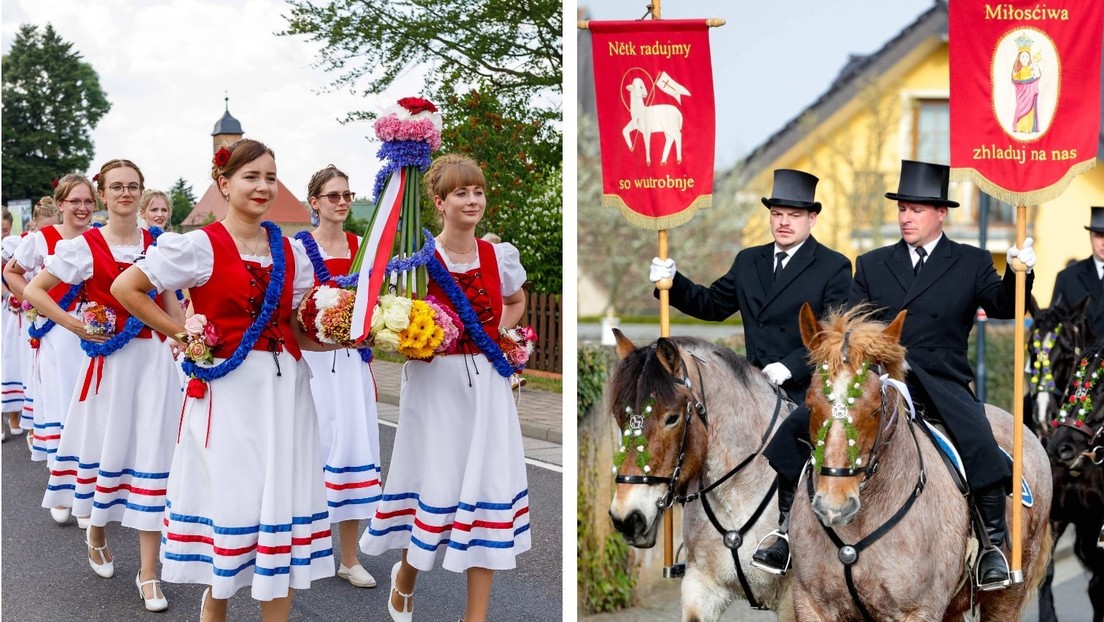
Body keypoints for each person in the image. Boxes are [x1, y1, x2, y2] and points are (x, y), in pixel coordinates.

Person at [112, 139, 336, 621]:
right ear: (224, 184)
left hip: (285, 392)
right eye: (251, 177)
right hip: (229, 392)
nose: (262, 187)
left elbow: (298, 328)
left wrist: (343, 336)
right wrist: (183, 334)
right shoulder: (198, 246)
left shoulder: (292, 250)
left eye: (270, 178)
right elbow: (125, 288)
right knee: (233, 504)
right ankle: (214, 607)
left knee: (281, 512)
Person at [648, 169, 852, 574]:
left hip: (801, 384)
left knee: (804, 446)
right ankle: (701, 544)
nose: (783, 221)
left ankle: (787, 534)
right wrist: (672, 281)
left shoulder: (833, 266)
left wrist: (791, 365)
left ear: (812, 219)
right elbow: (711, 305)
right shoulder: (749, 260)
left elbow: (833, 334)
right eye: (777, 213)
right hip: (749, 384)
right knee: (694, 437)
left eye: (793, 214)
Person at [849, 159, 1036, 590]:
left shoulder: (970, 262)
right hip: (884, 379)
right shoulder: (872, 264)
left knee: (980, 442)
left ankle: (992, 544)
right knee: (815, 428)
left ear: (940, 214)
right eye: (902, 208)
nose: (905, 217)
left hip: (943, 380)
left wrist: (1019, 272)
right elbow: (853, 322)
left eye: (915, 209)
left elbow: (1008, 307)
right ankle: (790, 531)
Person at [359, 154, 531, 622]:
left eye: (477, 191)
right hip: (435, 387)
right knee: (433, 487)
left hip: (488, 387)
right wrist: (418, 338)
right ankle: (405, 578)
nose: (472, 199)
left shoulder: (500, 256)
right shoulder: (417, 260)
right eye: (461, 192)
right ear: (439, 201)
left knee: (487, 486)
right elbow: (390, 323)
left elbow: (515, 300)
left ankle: (474, 617)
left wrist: (497, 333)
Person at [24, 159, 180, 611]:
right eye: (117, 187)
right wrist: (75, 325)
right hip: (111, 363)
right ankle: (95, 530)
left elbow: (170, 302)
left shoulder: (160, 244)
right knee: (106, 448)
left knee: (152, 453)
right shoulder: (86, 246)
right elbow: (35, 289)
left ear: (142, 193)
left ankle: (149, 572)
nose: (126, 194)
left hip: (153, 362)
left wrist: (186, 337)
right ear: (103, 194)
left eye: (133, 186)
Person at [296, 165, 382, 589]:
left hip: (350, 364)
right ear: (315, 202)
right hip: (311, 361)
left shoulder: (361, 246)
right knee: (310, 448)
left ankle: (349, 557)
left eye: (347, 195)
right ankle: (304, 548)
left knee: (350, 448)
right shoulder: (297, 248)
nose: (343, 202)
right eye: (333, 196)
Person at [4, 179, 93, 505]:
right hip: (57, 329)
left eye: (88, 201)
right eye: (75, 201)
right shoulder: (42, 238)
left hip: (97, 329)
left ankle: (91, 481)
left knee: (91, 403)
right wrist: (31, 300)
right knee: (61, 398)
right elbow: (12, 272)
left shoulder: (99, 237)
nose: (82, 208)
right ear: (60, 204)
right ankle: (61, 481)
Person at [1049, 206, 1104, 338]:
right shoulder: (1067, 278)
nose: (1103, 243)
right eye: (1099, 235)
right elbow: (1054, 326)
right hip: (1078, 356)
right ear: (1090, 236)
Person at [2, 206, 25, 438]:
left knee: (12, 358)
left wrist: (14, 296)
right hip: (5, 303)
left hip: (9, 312)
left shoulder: (14, 246)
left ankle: (13, 415)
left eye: (5, 229)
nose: (2, 234)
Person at [1012, 36, 1042, 134]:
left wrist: (1036, 67)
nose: (1025, 59)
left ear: (1029, 58)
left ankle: (1029, 128)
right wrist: (1024, 81)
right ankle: (1021, 127)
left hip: (1030, 93)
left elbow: (1037, 75)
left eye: (1026, 57)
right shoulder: (1018, 70)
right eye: (1023, 57)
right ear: (1019, 58)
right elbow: (1015, 79)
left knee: (1030, 110)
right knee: (1021, 109)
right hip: (1022, 94)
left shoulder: (1031, 68)